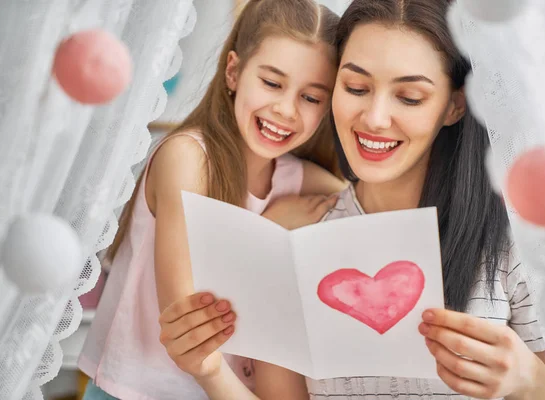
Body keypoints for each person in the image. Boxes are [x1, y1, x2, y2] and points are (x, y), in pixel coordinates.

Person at [158, 1, 545, 399]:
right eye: (356, 87)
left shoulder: (516, 239)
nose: (373, 117)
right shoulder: (293, 240)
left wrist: (528, 380)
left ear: (454, 105)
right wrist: (210, 372)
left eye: (409, 97)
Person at [78, 1, 346, 399]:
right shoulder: (187, 158)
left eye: (311, 97)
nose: (286, 109)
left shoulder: (303, 181)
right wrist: (271, 228)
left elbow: (367, 215)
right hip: (134, 391)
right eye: (272, 83)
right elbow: (189, 319)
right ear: (234, 71)